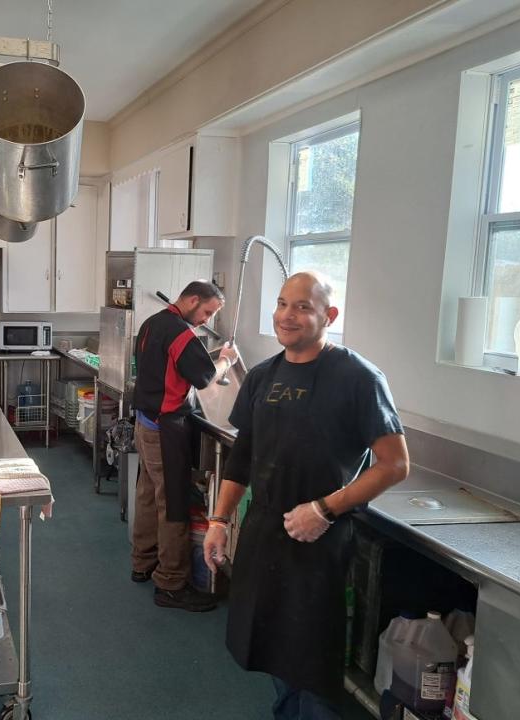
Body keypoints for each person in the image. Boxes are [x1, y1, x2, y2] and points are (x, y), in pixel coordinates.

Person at [203, 271, 409, 718]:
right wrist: (219, 522)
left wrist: (324, 509)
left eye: (302, 306)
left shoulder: (358, 378)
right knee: (275, 649)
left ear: (328, 316)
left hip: (321, 541)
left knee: (314, 662)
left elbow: (395, 464)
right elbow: (244, 458)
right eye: (281, 304)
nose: (286, 316)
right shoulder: (262, 377)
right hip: (265, 532)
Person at [131, 280, 239, 612]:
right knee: (174, 503)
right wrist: (227, 361)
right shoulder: (180, 332)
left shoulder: (153, 322)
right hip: (165, 428)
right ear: (193, 300)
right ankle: (171, 583)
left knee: (149, 495)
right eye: (207, 311)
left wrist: (209, 357)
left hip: (145, 423)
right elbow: (205, 378)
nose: (207, 319)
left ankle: (143, 562)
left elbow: (173, 363)